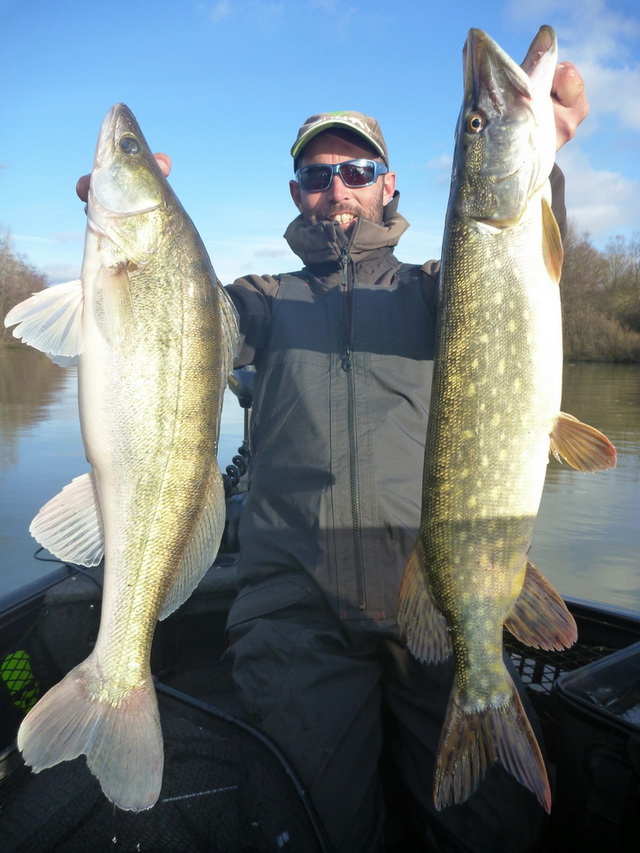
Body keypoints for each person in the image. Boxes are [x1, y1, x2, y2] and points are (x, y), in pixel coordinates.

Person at [78, 62, 588, 853]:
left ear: (389, 187)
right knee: (317, 827)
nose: (338, 188)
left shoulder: (431, 291)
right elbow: (176, 327)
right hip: (294, 611)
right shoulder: (262, 300)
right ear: (298, 195)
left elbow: (519, 267)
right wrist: (136, 232)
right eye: (319, 175)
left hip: (433, 593)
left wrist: (543, 159)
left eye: (358, 171)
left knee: (495, 828)